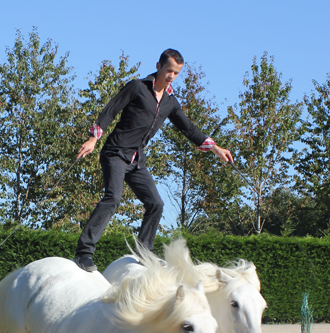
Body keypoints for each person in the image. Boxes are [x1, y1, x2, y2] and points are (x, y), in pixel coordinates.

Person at [74, 48, 234, 272]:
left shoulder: (169, 101)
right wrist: (93, 138)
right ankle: (84, 253)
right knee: (113, 198)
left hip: (136, 161)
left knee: (156, 204)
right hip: (115, 153)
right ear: (158, 67)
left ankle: (144, 252)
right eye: (169, 70)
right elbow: (110, 111)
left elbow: (188, 128)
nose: (171, 76)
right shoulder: (137, 87)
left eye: (176, 73)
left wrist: (215, 148)